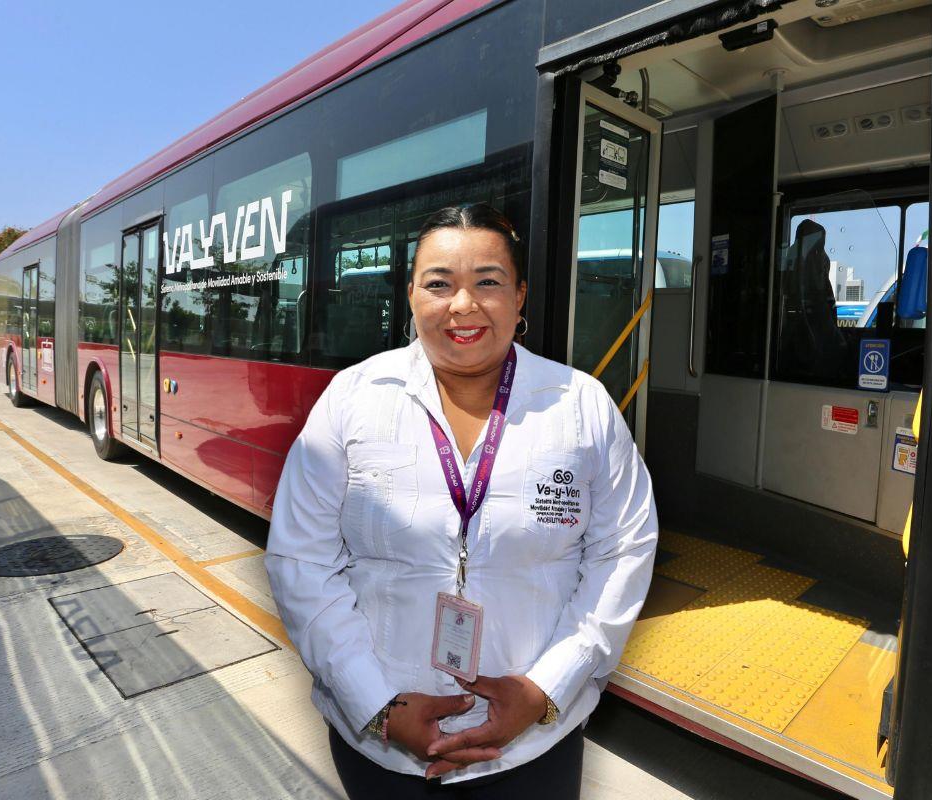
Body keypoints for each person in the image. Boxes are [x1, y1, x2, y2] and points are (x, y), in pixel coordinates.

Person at [265, 203, 658, 798]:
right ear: (411, 295)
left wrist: (547, 689)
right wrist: (376, 703)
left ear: (521, 296)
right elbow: (300, 559)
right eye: (440, 284)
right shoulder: (352, 399)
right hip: (379, 741)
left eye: (489, 282)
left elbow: (623, 552)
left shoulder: (580, 406)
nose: (463, 305)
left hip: (533, 747)